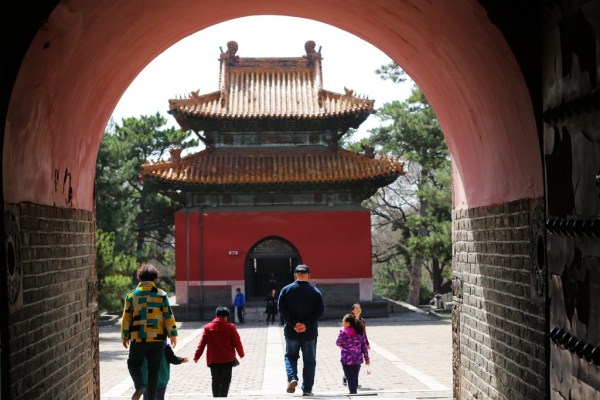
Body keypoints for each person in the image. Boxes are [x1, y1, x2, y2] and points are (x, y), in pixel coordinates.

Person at [121, 263, 179, 400]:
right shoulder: (161, 295)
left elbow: (126, 318)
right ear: (155, 279)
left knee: (133, 363)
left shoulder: (131, 295)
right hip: (158, 339)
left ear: (139, 278)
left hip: (139, 338)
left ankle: (140, 385)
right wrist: (173, 335)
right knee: (154, 370)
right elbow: (168, 316)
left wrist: (125, 336)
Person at [277, 264, 324, 396]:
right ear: (309, 275)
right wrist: (306, 324)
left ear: (295, 276)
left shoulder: (286, 290)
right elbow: (319, 311)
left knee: (290, 356)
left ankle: (292, 378)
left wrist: (294, 324)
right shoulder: (315, 291)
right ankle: (307, 389)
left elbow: (281, 309)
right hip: (309, 333)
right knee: (309, 361)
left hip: (292, 332)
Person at [194, 306, 245, 397]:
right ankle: (223, 397)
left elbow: (201, 344)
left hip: (213, 360)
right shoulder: (231, 327)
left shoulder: (207, 327)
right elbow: (237, 342)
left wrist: (196, 356)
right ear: (226, 317)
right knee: (226, 381)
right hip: (227, 360)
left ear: (216, 315)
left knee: (215, 380)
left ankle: (216, 397)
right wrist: (241, 353)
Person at [336, 314, 370, 395]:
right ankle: (354, 392)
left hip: (346, 360)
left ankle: (353, 393)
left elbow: (338, 342)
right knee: (355, 378)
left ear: (347, 323)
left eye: (343, 322)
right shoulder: (360, 332)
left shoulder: (344, 332)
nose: (342, 323)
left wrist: (342, 345)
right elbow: (364, 347)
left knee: (350, 378)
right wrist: (367, 358)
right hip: (357, 359)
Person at [343, 303, 370, 386]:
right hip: (351, 346)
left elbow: (364, 333)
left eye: (359, 308)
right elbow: (346, 331)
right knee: (350, 363)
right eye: (356, 308)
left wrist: (367, 343)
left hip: (360, 344)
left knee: (357, 363)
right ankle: (347, 378)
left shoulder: (362, 320)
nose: (358, 309)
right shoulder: (350, 320)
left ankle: (353, 380)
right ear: (352, 311)